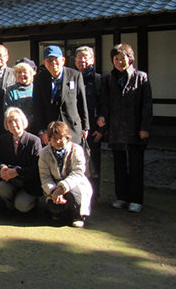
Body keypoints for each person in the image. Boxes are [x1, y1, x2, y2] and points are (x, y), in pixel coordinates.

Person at [97, 43, 152, 213]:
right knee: (119, 165)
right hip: (116, 128)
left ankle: (136, 199)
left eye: (123, 58)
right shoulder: (108, 79)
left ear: (131, 58)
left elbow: (147, 105)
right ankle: (121, 196)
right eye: (116, 59)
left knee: (136, 165)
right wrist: (102, 117)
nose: (120, 62)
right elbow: (104, 102)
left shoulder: (141, 77)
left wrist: (145, 127)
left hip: (135, 128)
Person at [38, 121, 93, 228]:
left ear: (67, 138)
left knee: (73, 193)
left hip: (75, 184)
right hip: (54, 186)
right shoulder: (44, 153)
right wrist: (54, 191)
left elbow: (78, 172)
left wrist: (62, 188)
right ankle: (60, 212)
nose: (58, 141)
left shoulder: (77, 150)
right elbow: (45, 177)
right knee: (54, 209)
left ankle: (78, 215)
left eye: (61, 138)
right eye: (54, 138)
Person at [32, 45, 89, 145]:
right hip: (51, 129)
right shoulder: (39, 79)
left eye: (56, 59)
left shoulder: (75, 75)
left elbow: (82, 102)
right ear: (44, 63)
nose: (53, 63)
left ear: (63, 60)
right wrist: (41, 131)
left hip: (72, 127)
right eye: (49, 60)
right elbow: (38, 107)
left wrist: (85, 127)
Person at [0, 107, 42, 213]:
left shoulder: (34, 141)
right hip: (10, 181)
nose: (13, 124)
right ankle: (10, 206)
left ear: (23, 121)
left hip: (29, 183)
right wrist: (2, 167)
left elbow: (36, 167)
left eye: (16, 120)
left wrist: (16, 171)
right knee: (2, 188)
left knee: (22, 206)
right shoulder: (3, 139)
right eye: (9, 122)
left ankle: (30, 204)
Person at [74, 46, 104, 199]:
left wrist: (102, 130)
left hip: (93, 128)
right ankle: (78, 193)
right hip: (75, 128)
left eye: (86, 57)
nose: (82, 60)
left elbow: (105, 105)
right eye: (79, 57)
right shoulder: (70, 77)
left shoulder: (99, 80)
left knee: (93, 162)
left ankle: (94, 195)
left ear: (92, 60)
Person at [4, 58, 36, 124]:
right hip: (15, 126)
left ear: (31, 73)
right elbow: (7, 111)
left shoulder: (37, 89)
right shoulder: (11, 90)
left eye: (25, 72)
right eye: (19, 72)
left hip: (35, 127)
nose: (22, 74)